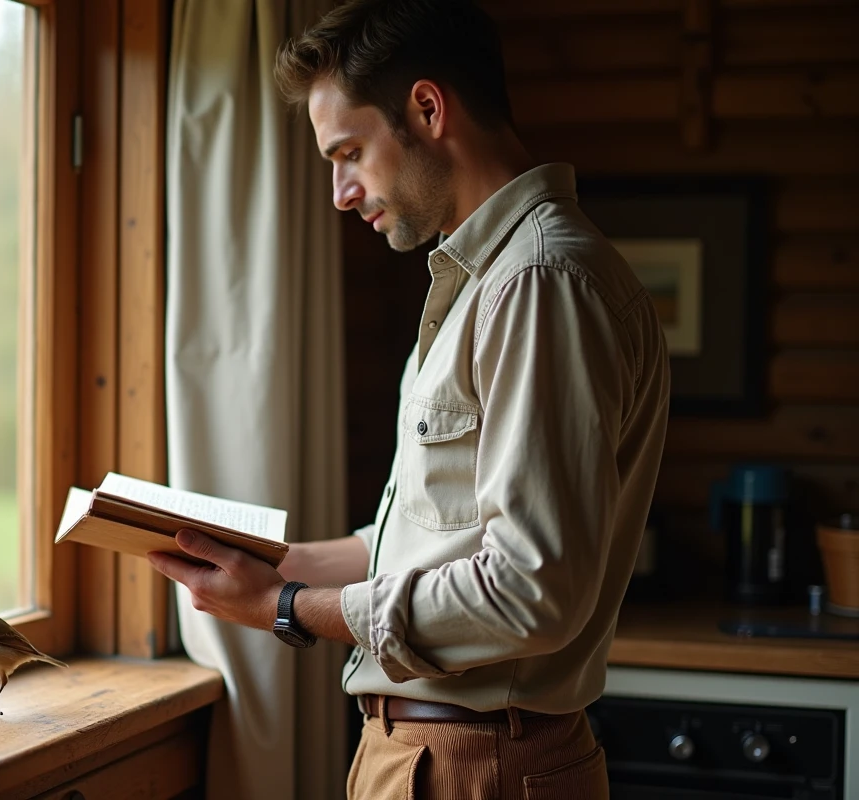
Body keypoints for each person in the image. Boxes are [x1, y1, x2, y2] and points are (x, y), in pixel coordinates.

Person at [146, 0, 671, 797]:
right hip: (431, 758)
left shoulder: (536, 284)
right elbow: (438, 536)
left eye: (349, 152)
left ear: (428, 110)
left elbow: (530, 588)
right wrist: (261, 564)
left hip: (480, 768)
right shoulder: (483, 286)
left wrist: (289, 605)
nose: (339, 193)